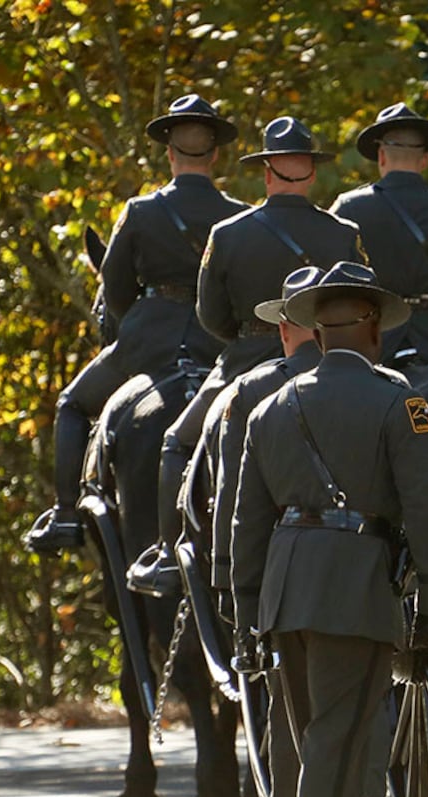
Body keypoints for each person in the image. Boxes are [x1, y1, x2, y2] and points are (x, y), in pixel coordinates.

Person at [230, 261, 428, 797]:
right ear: (374, 328)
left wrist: (245, 615)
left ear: (318, 334)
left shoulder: (269, 407)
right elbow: (426, 506)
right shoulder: (399, 400)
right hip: (353, 588)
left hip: (286, 592)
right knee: (344, 746)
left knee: (318, 744)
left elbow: (247, 522)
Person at [129, 115, 364, 596]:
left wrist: (248, 338)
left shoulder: (229, 233)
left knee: (175, 441)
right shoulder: (344, 234)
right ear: (312, 173)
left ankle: (168, 555)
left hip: (243, 362)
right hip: (327, 360)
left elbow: (210, 316)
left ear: (267, 172)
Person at [25, 94, 246, 553]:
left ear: (169, 152)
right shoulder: (240, 216)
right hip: (218, 346)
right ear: (216, 153)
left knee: (70, 403)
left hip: (148, 341)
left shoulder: (141, 211)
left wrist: (136, 326)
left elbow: (116, 288)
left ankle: (65, 515)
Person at [196, 266, 324, 797]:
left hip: (281, 576)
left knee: (288, 715)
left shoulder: (248, 394)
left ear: (283, 330)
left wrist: (230, 586)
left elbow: (234, 505)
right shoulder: (384, 386)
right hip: (364, 572)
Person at [330, 103, 428, 393]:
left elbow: (335, 284)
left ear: (381, 156)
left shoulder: (348, 208)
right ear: (424, 160)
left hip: (374, 342)